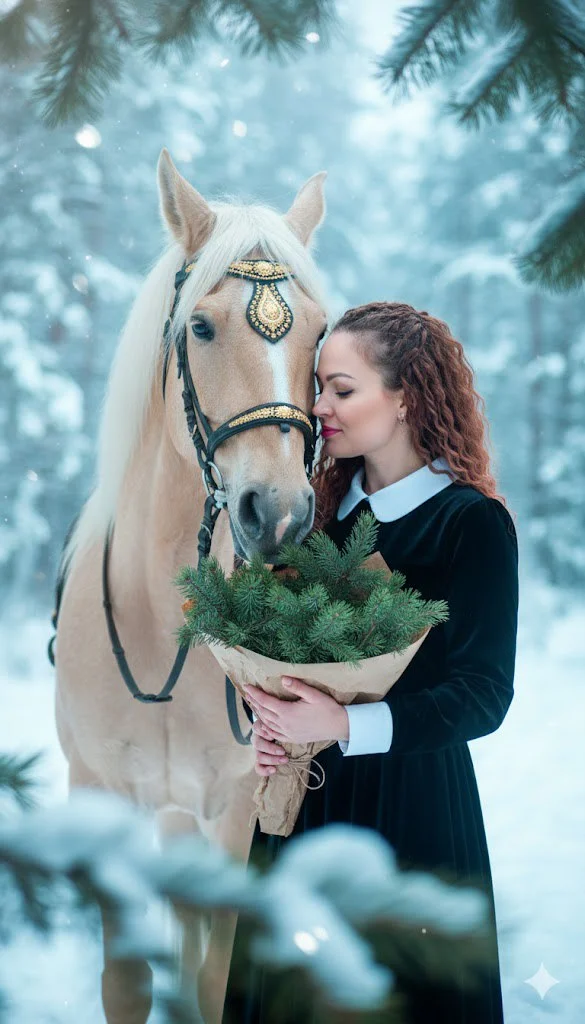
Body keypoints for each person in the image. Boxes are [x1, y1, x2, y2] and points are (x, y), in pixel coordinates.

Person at [223, 301, 519, 1024]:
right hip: (305, 805)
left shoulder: (470, 523)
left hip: (414, 815)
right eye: (318, 387)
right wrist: (266, 721)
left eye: (341, 390)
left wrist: (348, 724)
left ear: (406, 395)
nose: (317, 406)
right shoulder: (312, 517)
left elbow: (482, 695)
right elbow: (269, 650)